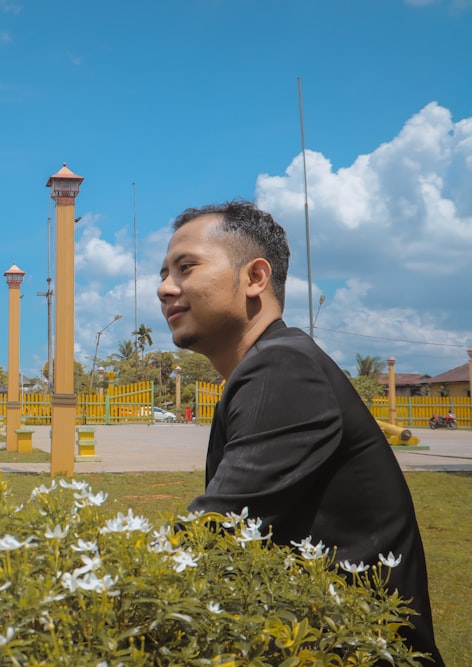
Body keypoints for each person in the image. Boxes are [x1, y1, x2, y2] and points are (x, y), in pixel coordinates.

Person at [157, 200, 443, 664]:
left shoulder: (282, 366)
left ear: (254, 278)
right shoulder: (270, 365)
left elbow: (213, 535)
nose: (164, 287)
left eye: (185, 268)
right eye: (165, 272)